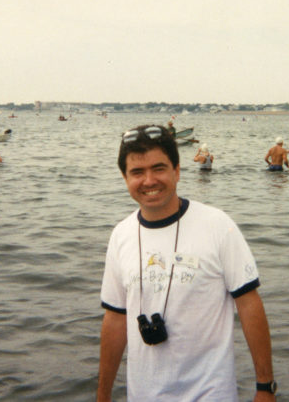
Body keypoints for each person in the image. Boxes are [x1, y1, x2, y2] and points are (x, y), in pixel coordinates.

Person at [97, 125, 276, 402]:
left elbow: (249, 304)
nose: (149, 180)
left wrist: (265, 387)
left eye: (159, 168)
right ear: (124, 177)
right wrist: (103, 394)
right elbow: (115, 318)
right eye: (137, 172)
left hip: (211, 394)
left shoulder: (217, 225)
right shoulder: (121, 235)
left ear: (177, 171)